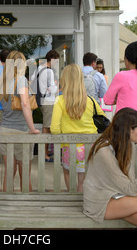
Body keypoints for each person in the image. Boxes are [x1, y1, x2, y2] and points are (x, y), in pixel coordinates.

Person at [83, 108, 137, 230]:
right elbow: (131, 190)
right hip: (101, 202)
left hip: (120, 197)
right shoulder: (103, 151)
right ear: (128, 129)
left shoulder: (129, 145)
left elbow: (130, 185)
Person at [50, 64, 105, 192]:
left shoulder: (60, 100)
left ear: (65, 80)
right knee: (83, 179)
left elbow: (54, 129)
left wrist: (65, 131)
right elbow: (102, 120)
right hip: (89, 147)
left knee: (68, 174)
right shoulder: (91, 100)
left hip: (69, 147)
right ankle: (82, 201)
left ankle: (72, 198)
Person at [103, 41, 137, 175]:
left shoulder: (122, 76)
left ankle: (123, 194)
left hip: (123, 125)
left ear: (126, 59)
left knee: (122, 165)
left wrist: (120, 98)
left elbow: (107, 100)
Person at [0, 50, 40, 191]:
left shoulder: (2, 82)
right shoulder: (21, 80)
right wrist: (32, 128)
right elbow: (25, 104)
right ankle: (26, 204)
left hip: (5, 130)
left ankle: (6, 203)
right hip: (21, 131)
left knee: (9, 172)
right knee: (24, 173)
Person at [30, 50, 59, 162]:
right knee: (47, 127)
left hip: (41, 100)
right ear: (52, 59)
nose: (56, 63)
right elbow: (52, 89)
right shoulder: (49, 72)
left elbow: (31, 81)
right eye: (56, 60)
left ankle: (46, 151)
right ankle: (44, 154)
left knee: (46, 126)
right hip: (48, 101)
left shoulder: (38, 68)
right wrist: (58, 87)